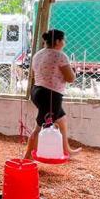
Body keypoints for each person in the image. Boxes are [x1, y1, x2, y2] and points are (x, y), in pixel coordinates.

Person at [24, 29, 78, 158]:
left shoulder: (38, 54)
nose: (64, 43)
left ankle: (67, 150)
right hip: (51, 96)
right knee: (40, 127)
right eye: (63, 40)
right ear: (58, 41)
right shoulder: (60, 56)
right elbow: (70, 78)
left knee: (62, 120)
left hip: (37, 91)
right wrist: (73, 71)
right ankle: (27, 156)